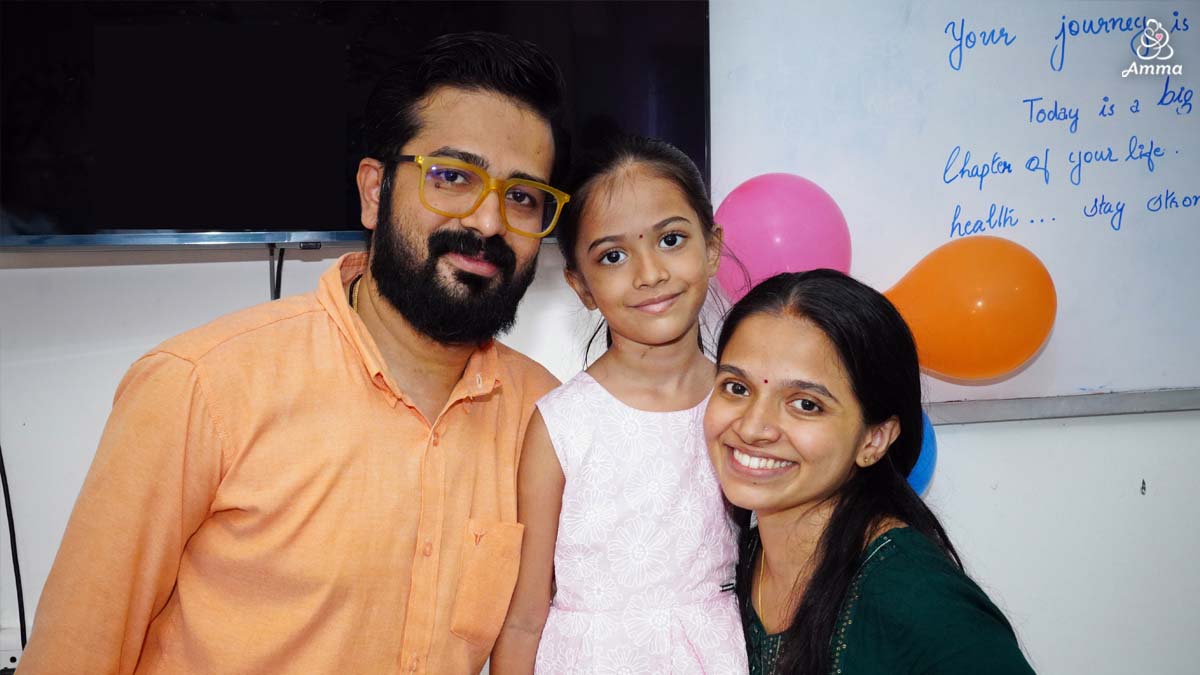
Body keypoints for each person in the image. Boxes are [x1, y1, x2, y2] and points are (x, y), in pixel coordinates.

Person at [19, 31, 568, 674]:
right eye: (452, 177)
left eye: (523, 197)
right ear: (373, 190)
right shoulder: (201, 388)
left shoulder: (549, 419)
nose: (488, 222)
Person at [491, 135, 747, 673]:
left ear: (713, 247)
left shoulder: (744, 406)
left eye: (671, 239)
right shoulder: (562, 423)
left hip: (716, 655)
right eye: (613, 255)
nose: (650, 273)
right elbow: (523, 617)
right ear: (581, 286)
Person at [704, 270, 1037, 675]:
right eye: (737, 388)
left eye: (806, 404)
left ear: (874, 440)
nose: (752, 428)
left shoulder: (917, 598)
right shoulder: (728, 562)